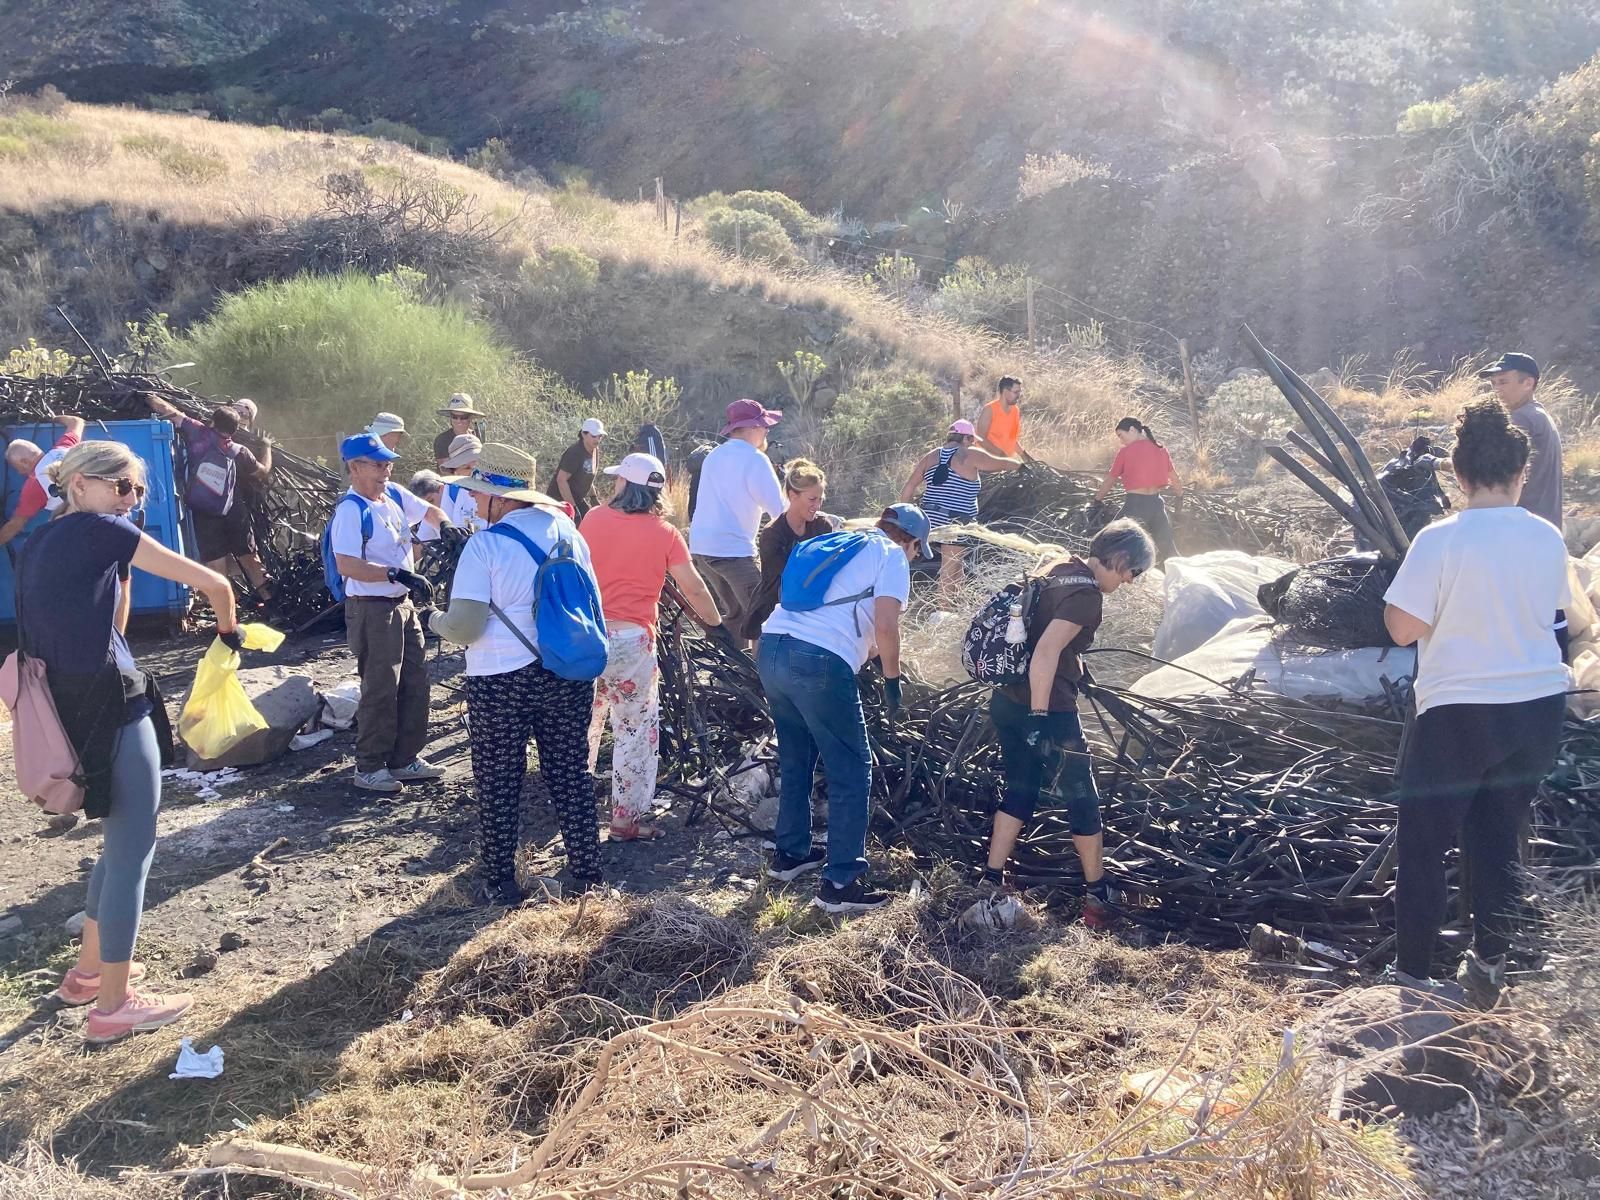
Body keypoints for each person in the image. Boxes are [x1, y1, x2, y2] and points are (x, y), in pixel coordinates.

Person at [20, 441, 239, 1043]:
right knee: (134, 847)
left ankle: (89, 974)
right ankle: (113, 1007)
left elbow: (99, 617)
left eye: (139, 490)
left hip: (69, 706)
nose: (132, 500)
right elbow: (210, 584)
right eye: (122, 486)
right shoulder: (100, 531)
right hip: (113, 705)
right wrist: (229, 632)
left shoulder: (41, 540)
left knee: (118, 842)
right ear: (81, 485)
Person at [1382, 399, 1571, 1008]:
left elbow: (1402, 629)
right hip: (1539, 706)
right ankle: (1488, 967)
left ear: (1457, 477)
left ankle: (1412, 976)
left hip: (1461, 710)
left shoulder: (1441, 539)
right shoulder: (1547, 538)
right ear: (1521, 474)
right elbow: (1555, 620)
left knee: (1423, 841)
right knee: (1496, 837)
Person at [429, 444, 605, 903]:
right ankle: (587, 874)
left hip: (500, 676)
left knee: (499, 778)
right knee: (569, 771)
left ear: (501, 499)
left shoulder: (484, 545)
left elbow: (465, 627)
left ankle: (502, 882)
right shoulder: (569, 531)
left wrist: (434, 620)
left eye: (478, 493)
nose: (471, 501)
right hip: (565, 668)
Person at [980, 520, 1154, 928]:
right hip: (1047, 709)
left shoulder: (1058, 567)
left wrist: (1078, 667)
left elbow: (1042, 634)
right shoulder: (1086, 595)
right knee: (1082, 794)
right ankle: (1097, 896)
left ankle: (990, 880)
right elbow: (1044, 652)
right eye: (1134, 573)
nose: (1130, 582)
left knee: (1020, 786)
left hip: (1006, 700)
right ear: (1121, 559)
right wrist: (1041, 717)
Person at [759, 503, 929, 914]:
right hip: (816, 661)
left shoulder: (839, 544)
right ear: (909, 541)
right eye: (915, 551)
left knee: (797, 757)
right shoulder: (890, 555)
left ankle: (791, 854)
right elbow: (887, 627)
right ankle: (841, 883)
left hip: (772, 650)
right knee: (852, 768)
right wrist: (892, 684)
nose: (912, 559)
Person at [579, 452, 727, 841]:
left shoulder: (592, 519)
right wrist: (716, 625)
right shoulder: (666, 534)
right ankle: (624, 820)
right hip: (633, 642)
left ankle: (571, 807)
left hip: (588, 637)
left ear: (625, 485)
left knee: (582, 723)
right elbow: (692, 586)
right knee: (634, 729)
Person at [328, 432, 451, 794]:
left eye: (388, 463)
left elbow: (430, 510)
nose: (386, 470)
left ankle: (404, 758)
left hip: (402, 604)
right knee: (381, 687)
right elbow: (347, 563)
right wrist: (394, 573)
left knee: (415, 681)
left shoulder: (393, 495)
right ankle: (369, 765)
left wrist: (445, 526)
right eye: (378, 464)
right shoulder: (351, 511)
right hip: (372, 608)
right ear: (355, 467)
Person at [1481, 351, 1568, 659]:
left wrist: (1438, 462)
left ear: (1528, 382)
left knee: (1522, 609)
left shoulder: (1521, 419)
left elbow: (1491, 470)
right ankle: (1559, 673)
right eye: (1494, 383)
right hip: (1543, 527)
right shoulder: (1538, 414)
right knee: (1548, 605)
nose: (1497, 389)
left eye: (1503, 381)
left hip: (1524, 529)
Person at [144, 397, 274, 583]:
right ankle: (269, 604)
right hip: (233, 509)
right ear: (235, 430)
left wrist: (149, 396)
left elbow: (166, 409)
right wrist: (267, 447)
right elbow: (262, 472)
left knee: (215, 565)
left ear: (212, 422)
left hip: (203, 509)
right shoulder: (240, 450)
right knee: (249, 558)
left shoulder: (198, 431)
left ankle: (226, 607)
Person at [689, 400, 786, 640]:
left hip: (701, 548)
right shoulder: (755, 459)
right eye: (764, 425)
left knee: (736, 615)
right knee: (764, 615)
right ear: (751, 427)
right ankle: (764, 674)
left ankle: (732, 672)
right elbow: (780, 512)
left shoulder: (714, 456)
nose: (766, 431)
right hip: (730, 550)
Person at [900, 419, 1021, 599]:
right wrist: (1022, 466)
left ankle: (956, 606)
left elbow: (908, 489)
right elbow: (1003, 464)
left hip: (929, 519)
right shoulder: (970, 454)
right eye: (971, 439)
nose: (972, 443)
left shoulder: (932, 455)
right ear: (965, 438)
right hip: (954, 522)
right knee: (949, 572)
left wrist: (905, 519)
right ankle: (943, 613)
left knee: (958, 568)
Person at [741, 458, 835, 640]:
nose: (818, 506)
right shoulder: (772, 533)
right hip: (775, 603)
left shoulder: (822, 526)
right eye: (812, 499)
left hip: (812, 597)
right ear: (793, 496)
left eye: (820, 499)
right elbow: (785, 577)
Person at [1092, 417, 1183, 563]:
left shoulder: (1125, 452)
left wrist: (1097, 500)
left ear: (1133, 430)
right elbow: (1175, 479)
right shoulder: (1161, 450)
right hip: (1157, 506)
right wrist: (1180, 496)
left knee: (1108, 542)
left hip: (1135, 506)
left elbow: (1110, 481)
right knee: (1169, 551)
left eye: (1121, 435)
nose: (1121, 441)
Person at [0, 414, 86, 546]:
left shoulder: (35, 483)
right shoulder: (64, 448)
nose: (19, 472)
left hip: (85, 525)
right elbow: (76, 421)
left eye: (16, 467)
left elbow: (15, 525)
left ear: (25, 462)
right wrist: (54, 418)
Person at [549, 418, 606, 520]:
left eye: (600, 436)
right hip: (559, 500)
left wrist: (593, 497)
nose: (597, 440)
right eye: (593, 436)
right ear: (584, 434)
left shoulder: (595, 450)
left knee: (589, 520)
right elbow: (561, 480)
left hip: (577, 497)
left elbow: (587, 474)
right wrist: (572, 508)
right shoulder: (574, 453)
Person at [437, 435, 485, 531]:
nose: (474, 472)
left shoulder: (496, 488)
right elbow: (448, 525)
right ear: (455, 472)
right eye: (466, 468)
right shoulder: (451, 489)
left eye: (478, 466)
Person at [975, 377, 1025, 458]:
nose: (1019, 396)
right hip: (985, 462)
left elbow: (1012, 440)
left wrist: (1025, 456)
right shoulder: (989, 410)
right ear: (1005, 392)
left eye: (1020, 392)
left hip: (1005, 464)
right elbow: (980, 439)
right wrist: (1001, 455)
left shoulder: (1015, 411)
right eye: (1016, 392)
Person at [434, 393, 484, 467]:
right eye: (454, 417)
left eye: (463, 417)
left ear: (470, 418)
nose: (458, 421)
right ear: (450, 417)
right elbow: (446, 470)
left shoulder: (477, 436)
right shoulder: (442, 440)